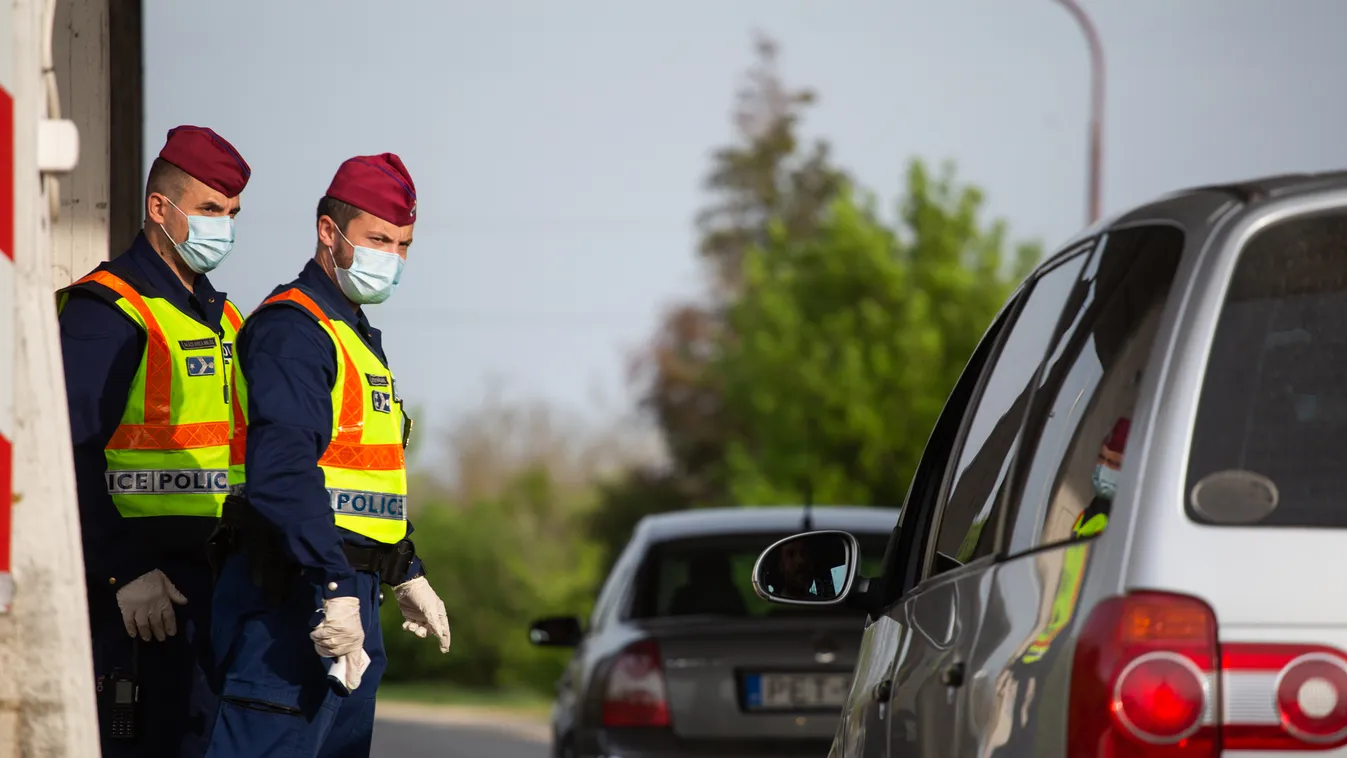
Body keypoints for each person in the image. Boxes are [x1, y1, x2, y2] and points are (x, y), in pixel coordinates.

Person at [206, 153, 451, 757]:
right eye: (378, 239)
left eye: (403, 245)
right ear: (328, 232)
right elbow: (283, 473)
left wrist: (403, 566)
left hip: (344, 600)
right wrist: (336, 581)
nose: (391, 258)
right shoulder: (296, 330)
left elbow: (360, 479)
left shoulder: (354, 334)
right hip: (294, 603)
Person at [57, 125, 252, 757]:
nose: (224, 225)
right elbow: (68, 448)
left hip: (214, 588)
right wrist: (122, 568)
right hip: (141, 599)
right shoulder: (107, 309)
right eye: (209, 210)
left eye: (232, 213)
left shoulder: (225, 319)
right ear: (159, 208)